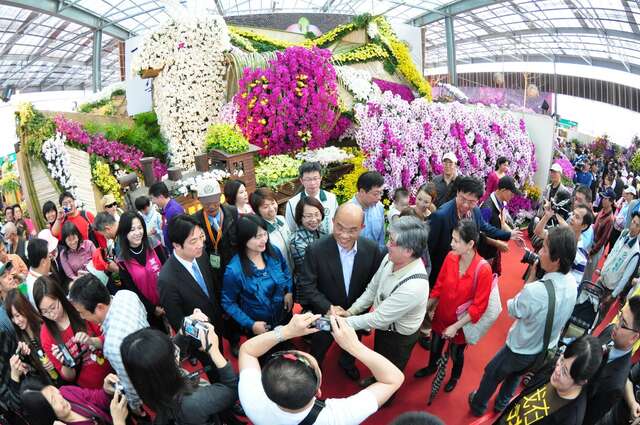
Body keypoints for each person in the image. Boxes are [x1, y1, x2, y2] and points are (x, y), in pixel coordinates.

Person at [469, 226, 579, 416]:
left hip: (520, 347)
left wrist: (530, 279)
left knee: (492, 372)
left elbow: (513, 308)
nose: (539, 252)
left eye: (544, 248)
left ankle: (478, 405)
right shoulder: (572, 283)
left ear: (556, 260)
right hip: (544, 349)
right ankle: (501, 404)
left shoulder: (536, 291)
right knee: (515, 376)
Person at [238, 313, 404, 425]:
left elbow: (247, 350)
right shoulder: (336, 417)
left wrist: (286, 331)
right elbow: (394, 379)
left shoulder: (253, 402)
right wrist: (354, 346)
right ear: (318, 392)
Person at [299, 203, 384, 379]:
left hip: (355, 312)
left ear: (362, 228)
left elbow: (374, 285)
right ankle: (313, 371)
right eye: (339, 227)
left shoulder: (372, 250)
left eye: (352, 230)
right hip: (324, 313)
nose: (344, 235)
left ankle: (347, 362)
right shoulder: (316, 249)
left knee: (353, 342)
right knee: (320, 345)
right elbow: (307, 285)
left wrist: (357, 310)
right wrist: (328, 307)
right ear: (332, 221)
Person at [343, 216, 429, 385]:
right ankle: (377, 379)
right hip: (385, 326)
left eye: (392, 241)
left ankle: (385, 397)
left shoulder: (414, 286)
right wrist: (350, 311)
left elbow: (378, 318)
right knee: (380, 356)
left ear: (408, 251)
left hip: (398, 337)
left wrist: (341, 322)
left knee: (392, 368)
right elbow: (372, 289)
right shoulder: (391, 259)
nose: (387, 244)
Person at [414, 220, 493, 393]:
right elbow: (439, 286)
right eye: (452, 238)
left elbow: (478, 307)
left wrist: (455, 327)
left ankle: (454, 377)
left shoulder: (483, 270)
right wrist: (425, 308)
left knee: (457, 354)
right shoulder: (450, 257)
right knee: (435, 347)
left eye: (456, 241)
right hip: (442, 316)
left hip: (461, 325)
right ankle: (431, 367)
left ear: (471, 244)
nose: (451, 244)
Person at [121, 312, 238, 425]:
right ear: (167, 368)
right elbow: (232, 390)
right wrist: (215, 351)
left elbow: (161, 358)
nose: (177, 349)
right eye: (172, 351)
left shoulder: (149, 385)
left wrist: (184, 330)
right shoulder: (193, 402)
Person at [68, 274, 150, 413]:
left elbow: (129, 384)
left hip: (148, 388)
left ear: (99, 307)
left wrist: (136, 407)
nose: (82, 317)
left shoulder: (113, 345)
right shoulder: (126, 295)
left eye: (82, 312)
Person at [158, 213, 224, 381]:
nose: (200, 244)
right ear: (176, 245)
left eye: (200, 237)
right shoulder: (167, 279)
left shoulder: (200, 256)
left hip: (216, 324)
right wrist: (199, 340)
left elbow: (211, 289)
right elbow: (178, 321)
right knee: (215, 372)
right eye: (193, 241)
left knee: (223, 361)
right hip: (201, 341)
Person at [428, 176, 520, 288]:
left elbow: (484, 226)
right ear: (457, 192)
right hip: (441, 271)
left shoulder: (475, 210)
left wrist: (509, 234)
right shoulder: (441, 216)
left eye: (471, 202)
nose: (466, 205)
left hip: (464, 268)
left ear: (477, 201)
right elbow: (429, 249)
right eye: (463, 199)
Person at [493, 335, 603, 425]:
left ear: (581, 381)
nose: (557, 369)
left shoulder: (570, 418)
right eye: (561, 359)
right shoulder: (552, 367)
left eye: (564, 372)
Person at [222, 214, 293, 344]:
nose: (263, 240)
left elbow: (285, 270)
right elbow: (228, 303)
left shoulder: (273, 251)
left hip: (283, 315)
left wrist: (289, 291)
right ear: (243, 239)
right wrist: (251, 324)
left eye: (264, 234)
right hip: (260, 326)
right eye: (257, 237)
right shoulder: (234, 270)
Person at [34, 276, 111, 389]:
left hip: (112, 369)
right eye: (45, 312)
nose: (51, 314)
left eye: (53, 307)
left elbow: (107, 338)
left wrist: (91, 341)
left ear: (60, 298)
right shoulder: (46, 335)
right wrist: (66, 363)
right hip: (92, 391)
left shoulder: (78, 308)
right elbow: (69, 378)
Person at [192, 177, 241, 355]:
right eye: (206, 204)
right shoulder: (195, 220)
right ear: (200, 202)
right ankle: (233, 340)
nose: (211, 207)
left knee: (239, 300)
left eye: (214, 202)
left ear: (220, 197)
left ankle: (242, 331)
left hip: (234, 268)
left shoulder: (232, 212)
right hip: (212, 273)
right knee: (222, 308)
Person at [582, 297, 640, 425]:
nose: (616, 324)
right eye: (620, 315)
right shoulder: (610, 331)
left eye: (623, 323)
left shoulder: (615, 385)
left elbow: (587, 419)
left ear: (635, 337)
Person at [116, 211, 168, 331]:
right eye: (132, 229)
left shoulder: (155, 245)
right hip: (150, 312)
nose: (137, 233)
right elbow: (133, 290)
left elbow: (168, 271)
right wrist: (153, 308)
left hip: (169, 300)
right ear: (124, 232)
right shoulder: (122, 261)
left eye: (140, 228)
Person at [18, 374, 128, 425]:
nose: (60, 397)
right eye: (53, 401)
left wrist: (106, 391)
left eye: (54, 390)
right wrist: (118, 421)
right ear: (47, 414)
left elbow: (95, 397)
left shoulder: (66, 391)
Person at [5, 289, 60, 385]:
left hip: (65, 381)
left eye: (17, 315)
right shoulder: (20, 339)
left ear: (25, 309)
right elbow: (34, 371)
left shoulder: (44, 327)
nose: (16, 321)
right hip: (50, 389)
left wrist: (54, 362)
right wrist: (25, 362)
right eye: (12, 318)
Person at [596, 212, 640, 318]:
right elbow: (612, 253)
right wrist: (603, 270)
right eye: (633, 222)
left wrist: (613, 295)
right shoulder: (624, 234)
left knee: (599, 316)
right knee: (588, 305)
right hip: (602, 279)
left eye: (637, 225)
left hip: (610, 289)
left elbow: (626, 278)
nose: (633, 226)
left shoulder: (635, 252)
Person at [478, 176, 520, 274]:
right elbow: (480, 234)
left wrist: (514, 234)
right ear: (503, 190)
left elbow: (502, 222)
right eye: (512, 193)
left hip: (493, 251)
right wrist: (497, 243)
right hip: (484, 254)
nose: (513, 196)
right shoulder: (487, 208)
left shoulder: (501, 202)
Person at [289, 196, 326, 305]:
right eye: (309, 216)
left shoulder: (321, 231)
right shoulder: (296, 241)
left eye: (317, 214)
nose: (314, 219)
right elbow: (310, 268)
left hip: (324, 286)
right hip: (308, 291)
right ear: (300, 218)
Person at [285, 162, 338, 235]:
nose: (312, 183)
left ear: (321, 178)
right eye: (308, 179)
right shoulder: (292, 203)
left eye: (315, 178)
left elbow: (336, 222)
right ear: (302, 181)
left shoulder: (331, 198)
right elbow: (291, 229)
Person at [251, 188, 293, 271]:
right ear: (257, 210)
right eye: (265, 207)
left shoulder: (282, 219)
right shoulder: (260, 233)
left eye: (273, 203)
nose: (271, 209)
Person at [584, 187, 615, 283]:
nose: (602, 200)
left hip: (596, 249)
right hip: (590, 243)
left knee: (587, 275)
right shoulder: (603, 210)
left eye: (605, 198)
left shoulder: (610, 219)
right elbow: (596, 218)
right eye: (603, 197)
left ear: (611, 202)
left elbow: (603, 241)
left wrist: (591, 252)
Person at [350, 171, 386, 249]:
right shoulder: (347, 211)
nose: (379, 197)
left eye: (381, 193)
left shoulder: (379, 207)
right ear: (362, 192)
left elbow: (381, 239)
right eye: (376, 194)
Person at [149, 181, 185, 253]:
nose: (152, 201)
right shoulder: (167, 209)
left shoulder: (174, 211)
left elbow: (181, 235)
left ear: (161, 197)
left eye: (153, 198)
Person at [25, 238, 54, 306]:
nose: (51, 258)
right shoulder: (39, 287)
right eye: (49, 256)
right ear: (43, 262)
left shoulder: (34, 275)